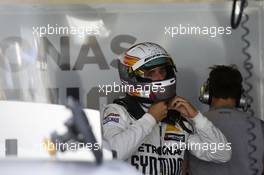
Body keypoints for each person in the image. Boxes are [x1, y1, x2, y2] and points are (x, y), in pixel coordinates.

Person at [102, 42, 231, 175]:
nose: (159, 77)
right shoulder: (118, 111)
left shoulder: (177, 118)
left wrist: (196, 117)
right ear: (132, 78)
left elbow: (222, 154)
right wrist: (150, 119)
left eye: (163, 71)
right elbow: (113, 154)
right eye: (151, 73)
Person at [187, 65, 264, 175]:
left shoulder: (189, 126)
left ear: (207, 93)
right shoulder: (259, 126)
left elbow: (180, 168)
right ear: (240, 96)